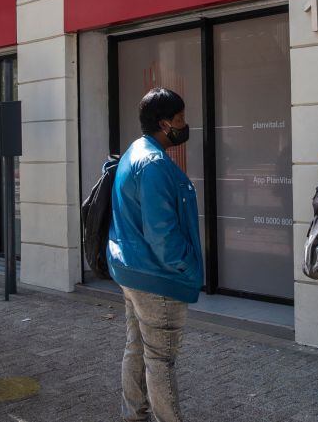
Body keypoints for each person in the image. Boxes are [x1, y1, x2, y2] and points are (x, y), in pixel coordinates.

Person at [108, 88, 203, 422]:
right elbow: (162, 234)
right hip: (157, 278)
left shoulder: (136, 150)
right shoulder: (154, 163)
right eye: (180, 119)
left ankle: (134, 413)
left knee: (138, 347)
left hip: (133, 270)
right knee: (161, 360)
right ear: (165, 123)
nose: (184, 125)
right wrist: (187, 266)